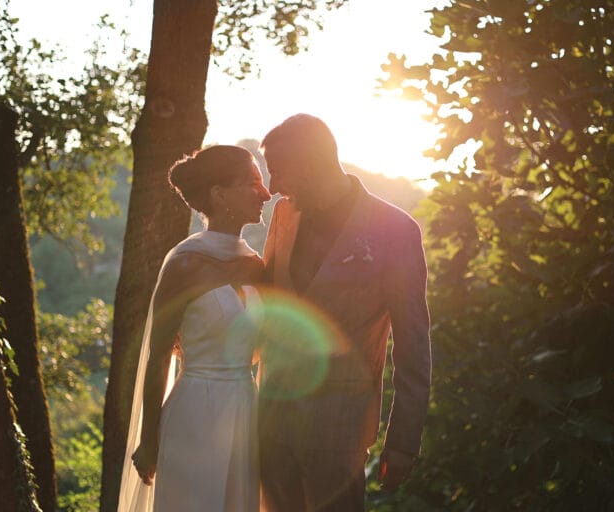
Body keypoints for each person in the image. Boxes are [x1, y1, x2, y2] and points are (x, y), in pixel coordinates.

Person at [258, 113, 431, 511]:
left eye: (278, 172)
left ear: (310, 164)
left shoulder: (396, 230)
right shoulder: (284, 214)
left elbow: (412, 346)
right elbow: (266, 299)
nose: (272, 188)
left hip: (339, 427)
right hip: (270, 421)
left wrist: (403, 442)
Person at [117, 145, 271, 512]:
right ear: (219, 194)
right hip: (195, 414)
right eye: (252, 183)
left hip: (246, 413)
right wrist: (149, 438)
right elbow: (156, 358)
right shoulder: (185, 265)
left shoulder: (257, 266)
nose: (265, 193)